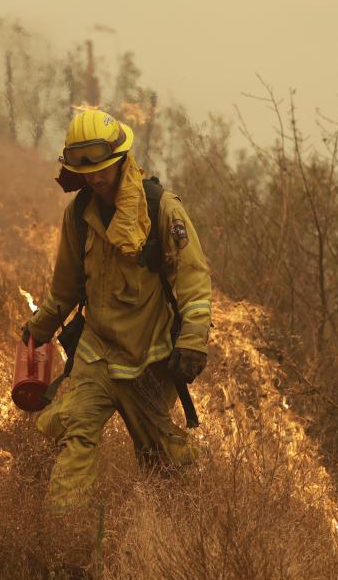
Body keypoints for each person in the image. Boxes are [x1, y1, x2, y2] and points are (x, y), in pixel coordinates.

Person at [24, 108, 212, 511]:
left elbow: (193, 283)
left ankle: (180, 537)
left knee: (163, 462)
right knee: (76, 431)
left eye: (103, 167)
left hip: (149, 361)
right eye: (85, 169)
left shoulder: (162, 209)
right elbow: (66, 286)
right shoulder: (78, 216)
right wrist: (39, 328)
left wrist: (193, 342)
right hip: (97, 354)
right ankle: (65, 540)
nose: (94, 178)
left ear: (121, 159)